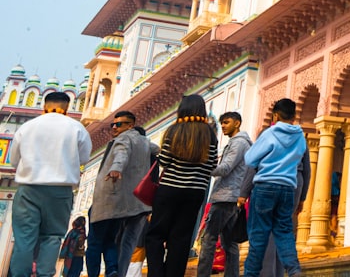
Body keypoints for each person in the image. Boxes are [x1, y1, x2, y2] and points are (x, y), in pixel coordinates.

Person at [9, 91, 93, 277]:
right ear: (67, 107)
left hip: (29, 189)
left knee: (24, 239)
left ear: (44, 106)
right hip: (60, 191)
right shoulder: (76, 128)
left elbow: (14, 159)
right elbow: (84, 158)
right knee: (52, 237)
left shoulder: (28, 127)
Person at [146, 95, 219, 277]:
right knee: (181, 238)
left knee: (156, 234)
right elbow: (212, 165)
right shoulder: (209, 134)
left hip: (170, 189)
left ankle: (156, 273)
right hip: (195, 192)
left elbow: (164, 161)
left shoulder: (174, 130)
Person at [243, 98, 309, 277]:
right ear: (293, 116)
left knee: (258, 235)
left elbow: (249, 159)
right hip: (288, 187)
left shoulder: (269, 134)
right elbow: (302, 162)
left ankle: (251, 274)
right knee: (284, 232)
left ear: (276, 115)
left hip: (265, 185)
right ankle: (294, 270)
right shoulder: (300, 137)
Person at [87, 112, 157, 277]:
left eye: (119, 124)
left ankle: (94, 273)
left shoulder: (124, 139)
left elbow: (121, 153)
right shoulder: (145, 143)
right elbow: (158, 149)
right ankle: (112, 269)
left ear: (130, 125)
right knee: (113, 240)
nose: (114, 127)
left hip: (108, 199)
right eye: (113, 124)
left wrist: (116, 168)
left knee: (95, 243)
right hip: (131, 202)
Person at [197, 111, 252, 277]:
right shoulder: (242, 143)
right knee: (229, 242)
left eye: (226, 122)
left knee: (209, 239)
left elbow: (226, 167)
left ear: (237, 123)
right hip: (233, 197)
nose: (223, 126)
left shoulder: (238, 143)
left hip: (225, 197)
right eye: (222, 123)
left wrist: (204, 168)